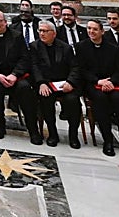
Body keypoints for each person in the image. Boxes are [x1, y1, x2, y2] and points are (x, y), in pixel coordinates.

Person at [77, 18, 119, 157]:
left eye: (94, 29)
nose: (91, 31)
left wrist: (111, 81)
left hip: (112, 83)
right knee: (100, 100)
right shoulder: (81, 47)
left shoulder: (113, 48)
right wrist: (98, 81)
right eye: (89, 28)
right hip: (93, 84)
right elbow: (82, 70)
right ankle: (108, 140)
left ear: (102, 31)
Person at [0, 10, 40, 143]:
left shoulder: (16, 36)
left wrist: (14, 75)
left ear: (5, 22)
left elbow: (24, 58)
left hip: (15, 75)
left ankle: (33, 129)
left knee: (25, 89)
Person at [32, 20, 82, 148]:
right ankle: (52, 134)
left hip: (65, 83)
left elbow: (75, 67)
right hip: (47, 84)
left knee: (73, 101)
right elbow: (34, 67)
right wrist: (41, 83)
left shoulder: (65, 47)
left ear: (53, 33)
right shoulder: (34, 47)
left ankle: (73, 135)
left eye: (45, 31)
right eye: (40, 31)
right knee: (45, 99)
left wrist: (70, 82)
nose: (41, 34)